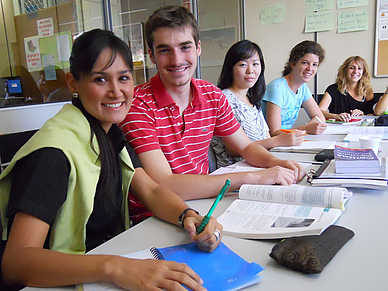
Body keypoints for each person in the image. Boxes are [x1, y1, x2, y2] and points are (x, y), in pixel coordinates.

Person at [0, 29, 222, 291]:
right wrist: (115, 268)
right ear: (73, 83)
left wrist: (188, 215)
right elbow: (15, 264)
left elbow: (149, 190)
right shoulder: (53, 153)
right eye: (100, 80)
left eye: (124, 78)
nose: (116, 92)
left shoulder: (109, 132)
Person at [120, 5, 306, 222]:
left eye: (185, 47)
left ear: (198, 48)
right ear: (151, 55)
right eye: (164, 50)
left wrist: (275, 163)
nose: (177, 60)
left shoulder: (212, 95)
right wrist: (253, 177)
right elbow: (165, 183)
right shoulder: (138, 104)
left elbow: (245, 147)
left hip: (204, 202)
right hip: (155, 216)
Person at [211, 40, 305, 168]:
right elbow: (234, 150)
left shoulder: (252, 100)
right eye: (243, 64)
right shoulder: (223, 99)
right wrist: (277, 141)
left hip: (260, 163)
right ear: (230, 68)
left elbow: (266, 136)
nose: (250, 70)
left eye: (255, 64)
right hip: (237, 170)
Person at [262, 40, 327, 135]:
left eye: (314, 65)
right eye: (305, 63)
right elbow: (274, 133)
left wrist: (309, 127)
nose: (310, 68)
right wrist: (306, 129)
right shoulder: (276, 88)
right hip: (270, 144)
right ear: (293, 64)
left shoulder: (303, 88)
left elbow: (320, 117)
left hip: (286, 141)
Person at [319, 56, 376, 121]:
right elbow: (319, 111)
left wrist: (363, 114)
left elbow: (373, 114)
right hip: (337, 128)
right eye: (352, 68)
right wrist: (336, 116)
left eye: (359, 68)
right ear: (345, 70)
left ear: (363, 72)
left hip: (359, 129)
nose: (355, 71)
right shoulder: (332, 89)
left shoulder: (367, 90)